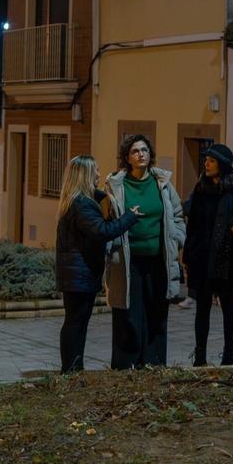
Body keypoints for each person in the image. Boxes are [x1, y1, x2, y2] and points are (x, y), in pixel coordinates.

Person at [104, 134, 186, 369]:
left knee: (157, 311)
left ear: (150, 155)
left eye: (144, 150)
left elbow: (177, 215)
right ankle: (126, 364)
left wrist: (176, 240)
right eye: (135, 151)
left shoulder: (162, 183)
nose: (141, 154)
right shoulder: (117, 185)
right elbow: (108, 218)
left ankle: (154, 362)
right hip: (127, 259)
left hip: (158, 258)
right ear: (127, 158)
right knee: (128, 312)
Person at [55, 155, 140, 373]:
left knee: (76, 321)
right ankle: (71, 369)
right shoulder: (83, 206)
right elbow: (103, 231)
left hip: (76, 274)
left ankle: (73, 367)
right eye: (96, 172)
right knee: (76, 323)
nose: (99, 176)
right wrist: (129, 218)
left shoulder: (76, 201)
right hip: (80, 274)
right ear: (85, 176)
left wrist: (106, 197)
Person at [184, 143, 233, 366]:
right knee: (202, 308)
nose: (206, 164)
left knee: (228, 306)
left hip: (225, 257)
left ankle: (228, 355)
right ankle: (199, 355)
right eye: (206, 160)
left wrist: (232, 224)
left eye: (211, 160)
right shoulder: (201, 189)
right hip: (202, 256)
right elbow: (194, 226)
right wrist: (187, 256)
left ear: (222, 164)